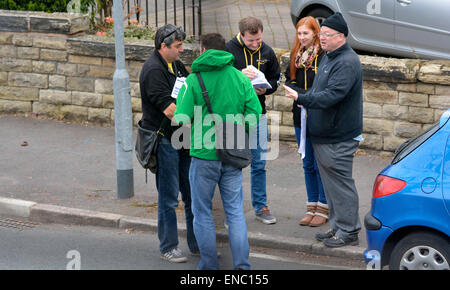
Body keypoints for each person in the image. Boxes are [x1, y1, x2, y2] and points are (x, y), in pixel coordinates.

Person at [174, 33, 262, 270]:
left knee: (202, 213)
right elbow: (254, 114)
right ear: (225, 51)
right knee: (234, 213)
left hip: (203, 155)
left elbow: (181, 117)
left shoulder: (193, 80)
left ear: (202, 50)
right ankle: (242, 266)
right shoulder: (239, 78)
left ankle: (209, 266)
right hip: (233, 154)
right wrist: (237, 128)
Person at [284, 12, 363, 248]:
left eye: (327, 35)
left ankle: (349, 231)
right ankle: (338, 227)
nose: (322, 38)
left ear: (341, 36)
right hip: (324, 135)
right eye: (322, 34)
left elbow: (332, 96)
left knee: (341, 184)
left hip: (337, 136)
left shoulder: (347, 62)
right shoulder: (329, 56)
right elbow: (320, 89)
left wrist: (302, 97)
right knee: (330, 185)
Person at [139, 24, 198, 262]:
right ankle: (168, 246)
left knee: (192, 192)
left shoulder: (176, 65)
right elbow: (171, 110)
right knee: (169, 196)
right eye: (178, 46)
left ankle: (197, 243)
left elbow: (189, 91)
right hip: (165, 141)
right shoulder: (153, 70)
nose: (182, 50)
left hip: (182, 137)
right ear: (163, 46)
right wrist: (199, 129)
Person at [226, 17, 281, 225]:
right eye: (251, 40)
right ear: (241, 35)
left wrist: (267, 88)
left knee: (259, 164)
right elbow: (221, 79)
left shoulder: (266, 51)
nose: (256, 44)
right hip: (234, 116)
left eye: (258, 39)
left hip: (258, 114)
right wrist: (240, 76)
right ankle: (233, 211)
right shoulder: (228, 50)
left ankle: (261, 206)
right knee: (233, 165)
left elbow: (276, 78)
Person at [285, 17, 328, 227]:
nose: (302, 38)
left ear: (315, 34)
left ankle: (324, 206)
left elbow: (324, 87)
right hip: (299, 115)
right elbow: (288, 80)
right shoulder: (296, 55)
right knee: (307, 163)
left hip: (318, 116)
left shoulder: (324, 57)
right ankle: (311, 205)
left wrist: (302, 94)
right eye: (299, 34)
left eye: (306, 34)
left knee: (321, 164)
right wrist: (292, 90)